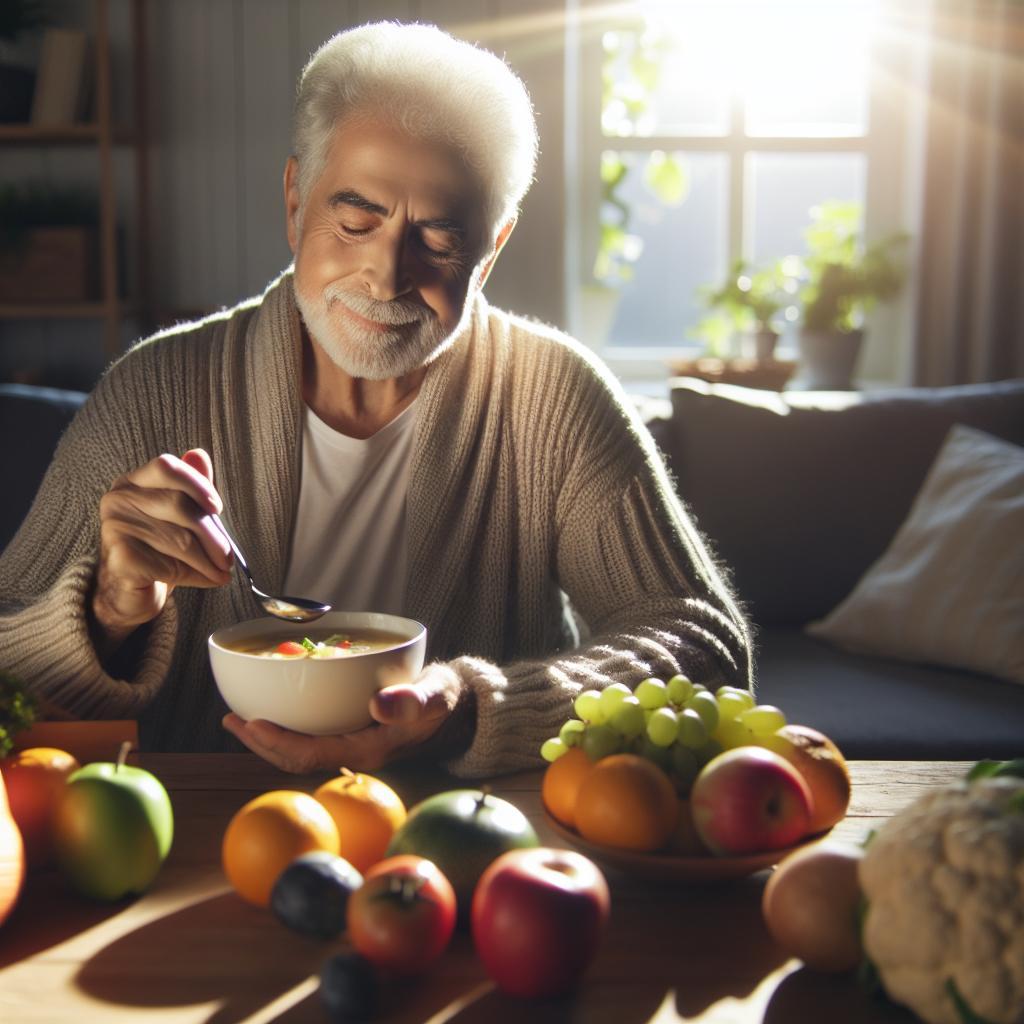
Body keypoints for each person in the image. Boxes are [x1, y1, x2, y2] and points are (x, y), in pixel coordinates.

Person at [0, 23, 751, 777]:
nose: (386, 276)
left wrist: (471, 711)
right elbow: (7, 665)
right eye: (356, 219)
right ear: (296, 199)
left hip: (462, 839)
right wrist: (107, 612)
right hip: (196, 831)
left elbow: (704, 642)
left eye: (439, 240)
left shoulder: (552, 395)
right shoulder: (154, 390)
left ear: (491, 251)